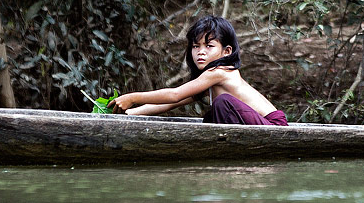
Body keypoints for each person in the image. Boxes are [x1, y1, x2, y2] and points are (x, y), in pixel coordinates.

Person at [111, 15, 288, 125]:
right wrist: (128, 114)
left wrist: (132, 98)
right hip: (261, 124)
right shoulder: (209, 80)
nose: (200, 52)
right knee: (214, 112)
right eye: (196, 46)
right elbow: (170, 103)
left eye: (209, 46)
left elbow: (174, 94)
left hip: (273, 126)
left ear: (226, 51)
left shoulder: (220, 72)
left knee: (222, 104)